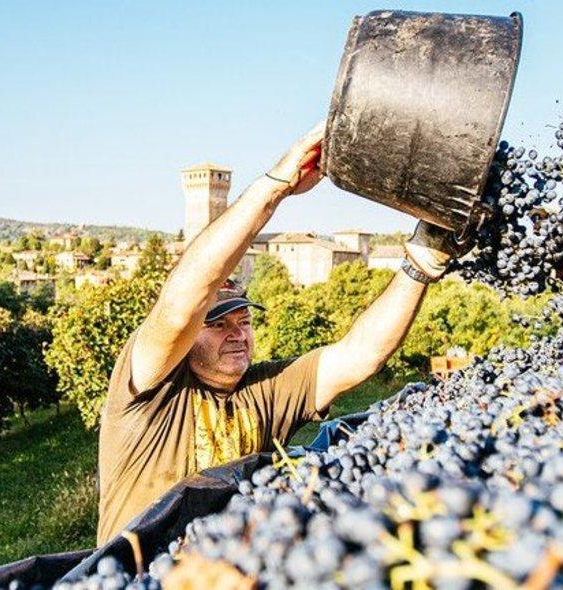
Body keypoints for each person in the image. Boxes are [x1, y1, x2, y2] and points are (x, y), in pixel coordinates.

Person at [96, 122, 468, 544]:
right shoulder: (149, 389)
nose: (236, 333)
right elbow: (183, 302)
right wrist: (274, 188)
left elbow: (361, 354)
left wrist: (419, 265)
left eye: (244, 321)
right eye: (217, 324)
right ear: (184, 341)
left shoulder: (266, 390)